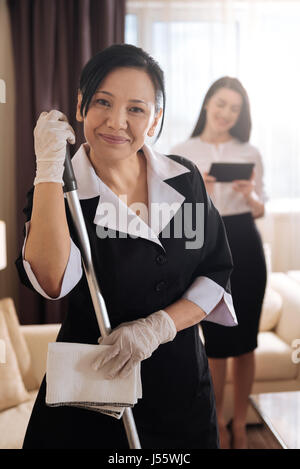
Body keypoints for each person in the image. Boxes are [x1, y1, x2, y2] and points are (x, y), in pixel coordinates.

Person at [16, 45, 237, 449]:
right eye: (103, 101)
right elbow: (51, 282)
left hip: (180, 392)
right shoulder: (59, 194)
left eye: (136, 109)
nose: (117, 122)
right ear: (81, 105)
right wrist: (48, 167)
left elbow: (214, 272)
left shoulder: (184, 181)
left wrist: (161, 326)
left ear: (153, 120)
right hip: (90, 400)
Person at [171, 76, 267, 449]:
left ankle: (240, 423)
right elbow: (178, 223)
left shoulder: (250, 151)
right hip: (206, 241)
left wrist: (252, 194)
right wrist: (202, 197)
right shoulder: (183, 150)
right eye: (221, 103)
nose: (227, 113)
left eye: (235, 108)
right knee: (215, 344)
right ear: (207, 103)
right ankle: (219, 427)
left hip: (246, 242)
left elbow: (260, 210)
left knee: (246, 344)